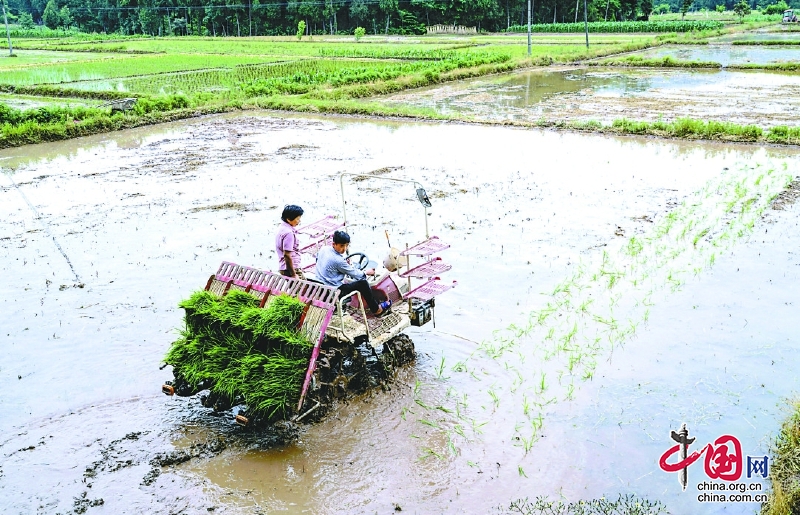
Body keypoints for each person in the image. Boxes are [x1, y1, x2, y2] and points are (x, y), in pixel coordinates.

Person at [315, 230, 391, 316]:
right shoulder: (338, 260)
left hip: (321, 286)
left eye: (346, 245)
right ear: (334, 244)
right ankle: (377, 309)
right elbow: (358, 275)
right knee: (363, 284)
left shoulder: (324, 249)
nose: (344, 249)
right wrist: (367, 272)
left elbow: (318, 260)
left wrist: (338, 270)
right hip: (334, 292)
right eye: (341, 246)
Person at [276, 204, 303, 278]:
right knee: (305, 289)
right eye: (297, 219)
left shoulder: (282, 228)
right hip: (291, 268)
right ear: (288, 219)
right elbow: (287, 255)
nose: (299, 221)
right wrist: (293, 274)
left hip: (284, 267)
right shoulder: (289, 233)